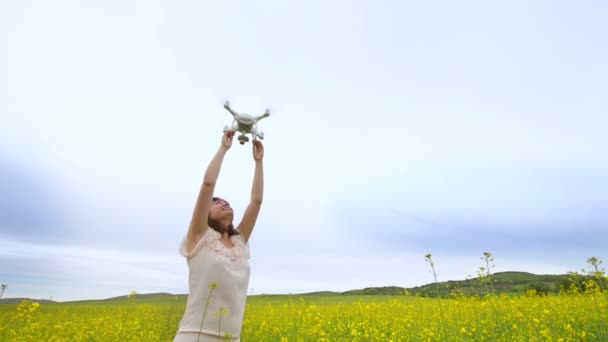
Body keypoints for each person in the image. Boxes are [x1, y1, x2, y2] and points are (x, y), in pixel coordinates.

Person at [173, 130, 264, 342]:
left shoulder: (239, 241)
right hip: (195, 336)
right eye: (216, 202)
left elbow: (256, 201)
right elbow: (207, 185)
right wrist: (224, 148)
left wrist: (258, 162)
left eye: (227, 201)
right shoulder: (199, 237)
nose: (224, 202)